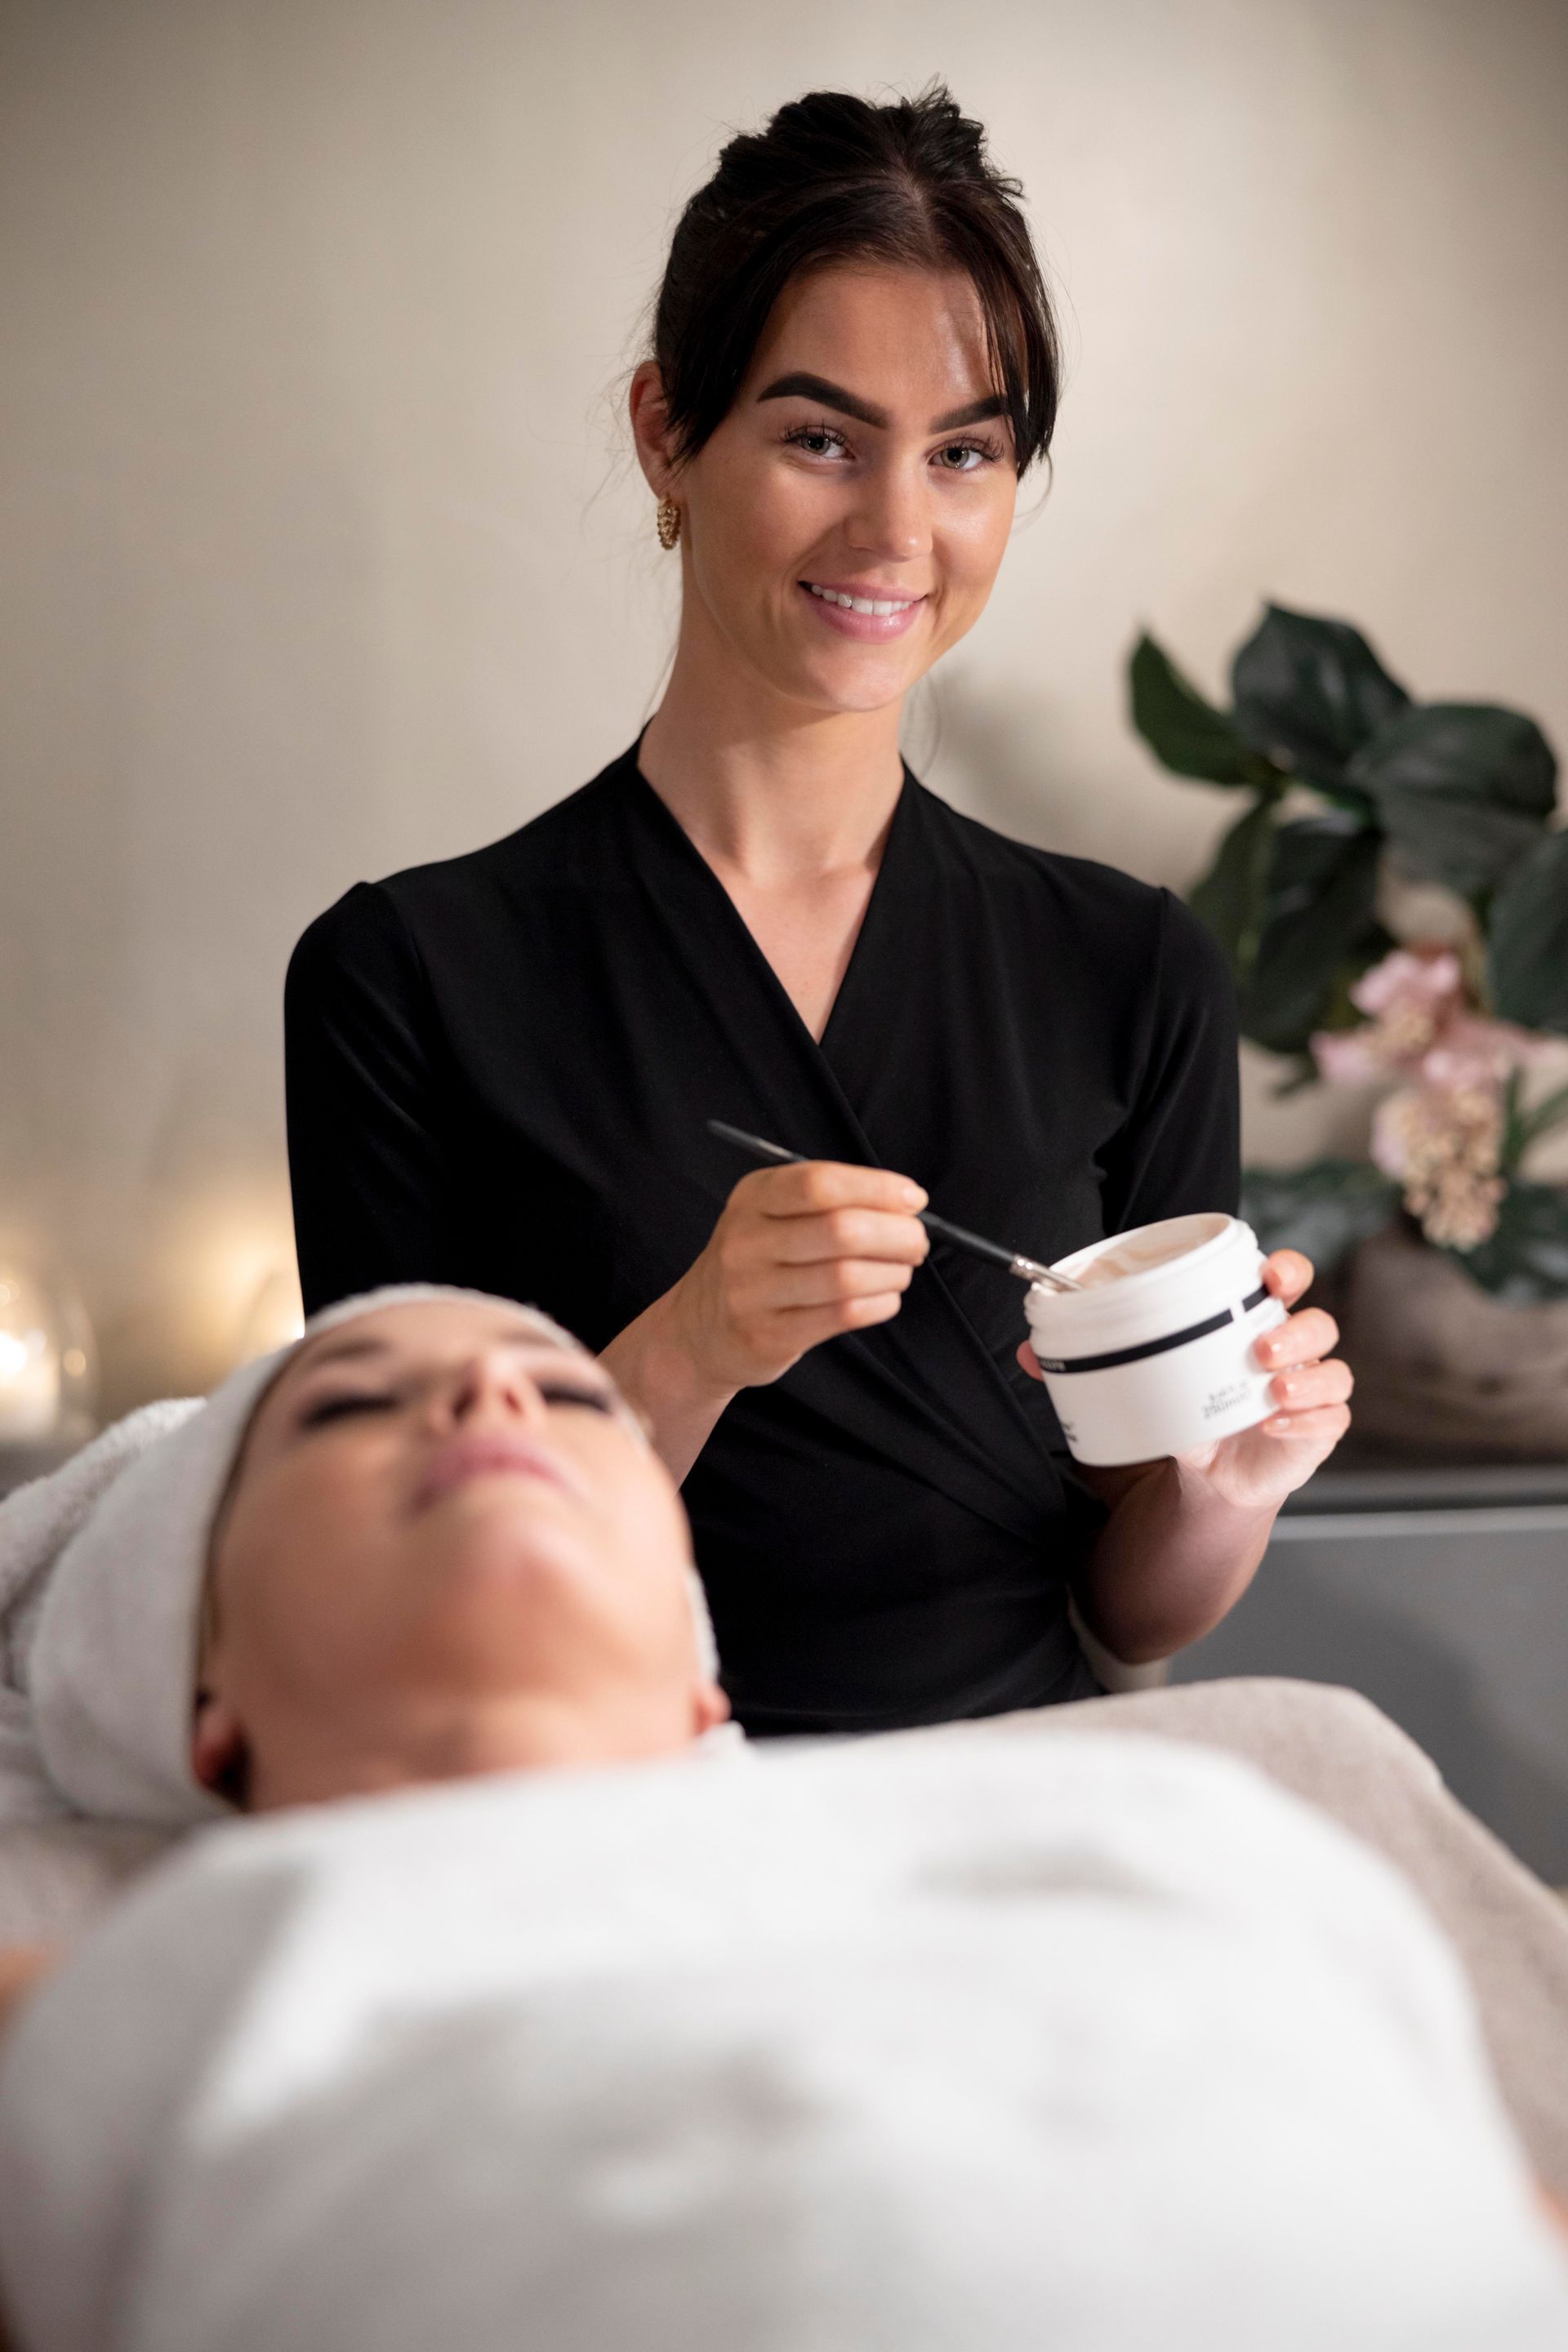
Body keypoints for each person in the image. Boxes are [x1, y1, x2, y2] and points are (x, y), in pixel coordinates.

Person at [283, 84, 1353, 1740]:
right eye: (820, 437)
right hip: (604, 1818)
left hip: (1017, 1824)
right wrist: (691, 1345)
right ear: (666, 433)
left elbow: (1122, 1599)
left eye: (965, 453)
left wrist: (1233, 1487)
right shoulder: (406, 978)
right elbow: (390, 1579)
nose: (898, 532)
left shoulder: (1128, 966)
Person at [0, 1290, 1564, 2352]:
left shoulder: (1179, 1814)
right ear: (195, 1698)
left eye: (568, 1398)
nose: (490, 1392)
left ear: (702, 1688)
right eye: (350, 1408)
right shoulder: (174, 1967)